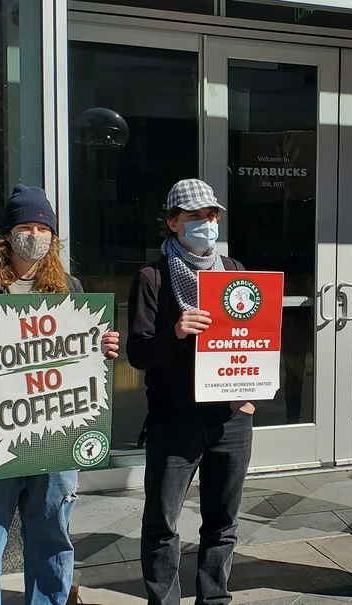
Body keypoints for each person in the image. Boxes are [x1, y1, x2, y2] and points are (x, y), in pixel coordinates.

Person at [0, 185, 120, 605]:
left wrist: (104, 348)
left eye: (42, 227)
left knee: (53, 537)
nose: (33, 235)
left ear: (52, 237)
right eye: (25, 226)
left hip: (56, 436)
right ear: (7, 235)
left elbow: (83, 361)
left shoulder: (68, 288)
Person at [128, 179, 255, 605]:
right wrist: (177, 331)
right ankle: (163, 601)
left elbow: (252, 335)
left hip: (230, 418)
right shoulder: (153, 277)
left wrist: (251, 391)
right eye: (195, 217)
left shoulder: (233, 269)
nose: (206, 223)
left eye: (212, 215)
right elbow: (139, 353)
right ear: (172, 224)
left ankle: (214, 598)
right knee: (163, 525)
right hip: (175, 421)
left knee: (222, 523)